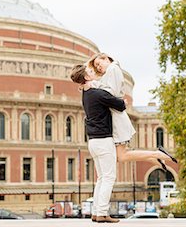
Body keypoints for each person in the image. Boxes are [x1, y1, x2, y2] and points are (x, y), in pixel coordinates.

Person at [88, 53, 178, 170]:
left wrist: (93, 85)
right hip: (115, 117)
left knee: (121, 156)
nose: (98, 68)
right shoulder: (111, 71)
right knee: (118, 155)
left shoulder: (113, 68)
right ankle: (153, 157)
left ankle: (157, 154)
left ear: (106, 58)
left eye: (98, 64)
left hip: (117, 118)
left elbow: (110, 93)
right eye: (96, 67)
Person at [70, 64, 124, 223]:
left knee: (101, 178)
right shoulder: (97, 93)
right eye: (90, 71)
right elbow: (120, 105)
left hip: (93, 141)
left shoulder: (86, 94)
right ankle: (102, 213)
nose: (93, 72)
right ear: (86, 77)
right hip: (103, 140)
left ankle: (96, 212)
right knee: (108, 178)